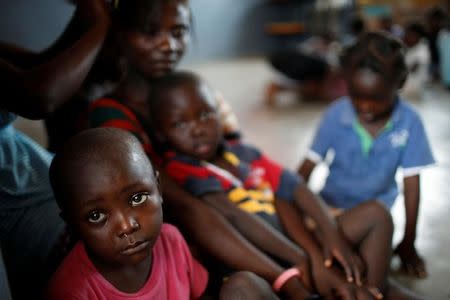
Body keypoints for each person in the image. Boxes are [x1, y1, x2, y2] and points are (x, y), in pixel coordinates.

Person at [85, 1, 319, 299]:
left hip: (245, 221)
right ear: (121, 35)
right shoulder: (111, 114)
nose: (168, 45)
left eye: (179, 32)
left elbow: (245, 166)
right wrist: (289, 272)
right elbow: (185, 207)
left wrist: (303, 248)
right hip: (187, 239)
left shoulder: (197, 96)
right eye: (150, 32)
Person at [146, 70, 406, 300]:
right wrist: (303, 258)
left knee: (376, 214)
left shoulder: (244, 153)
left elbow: (295, 187)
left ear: (219, 114)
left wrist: (331, 237)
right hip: (264, 263)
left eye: (205, 114)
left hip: (300, 242)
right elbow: (234, 216)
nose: (197, 129)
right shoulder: (181, 169)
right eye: (180, 123)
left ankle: (369, 290)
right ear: (161, 133)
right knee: (241, 289)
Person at [47, 127, 280, 300]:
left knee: (243, 286)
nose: (127, 226)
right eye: (96, 216)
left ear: (158, 190)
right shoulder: (72, 290)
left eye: (137, 198)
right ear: (72, 224)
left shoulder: (170, 240)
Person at [298, 31, 435, 279]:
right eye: (356, 97)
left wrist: (408, 242)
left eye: (376, 99)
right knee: (331, 261)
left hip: (376, 221)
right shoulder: (335, 115)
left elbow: (412, 186)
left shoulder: (409, 122)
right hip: (331, 211)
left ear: (399, 84)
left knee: (368, 272)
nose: (365, 107)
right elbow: (305, 170)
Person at [0, 0, 110, 298]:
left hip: (30, 183)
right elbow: (39, 96)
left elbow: (40, 66)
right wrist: (101, 20)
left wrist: (89, 14)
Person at [402, 22, 430, 98]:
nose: (406, 37)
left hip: (415, 90)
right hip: (408, 89)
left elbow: (413, 68)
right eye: (406, 34)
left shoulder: (422, 50)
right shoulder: (410, 48)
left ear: (419, 36)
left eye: (410, 35)